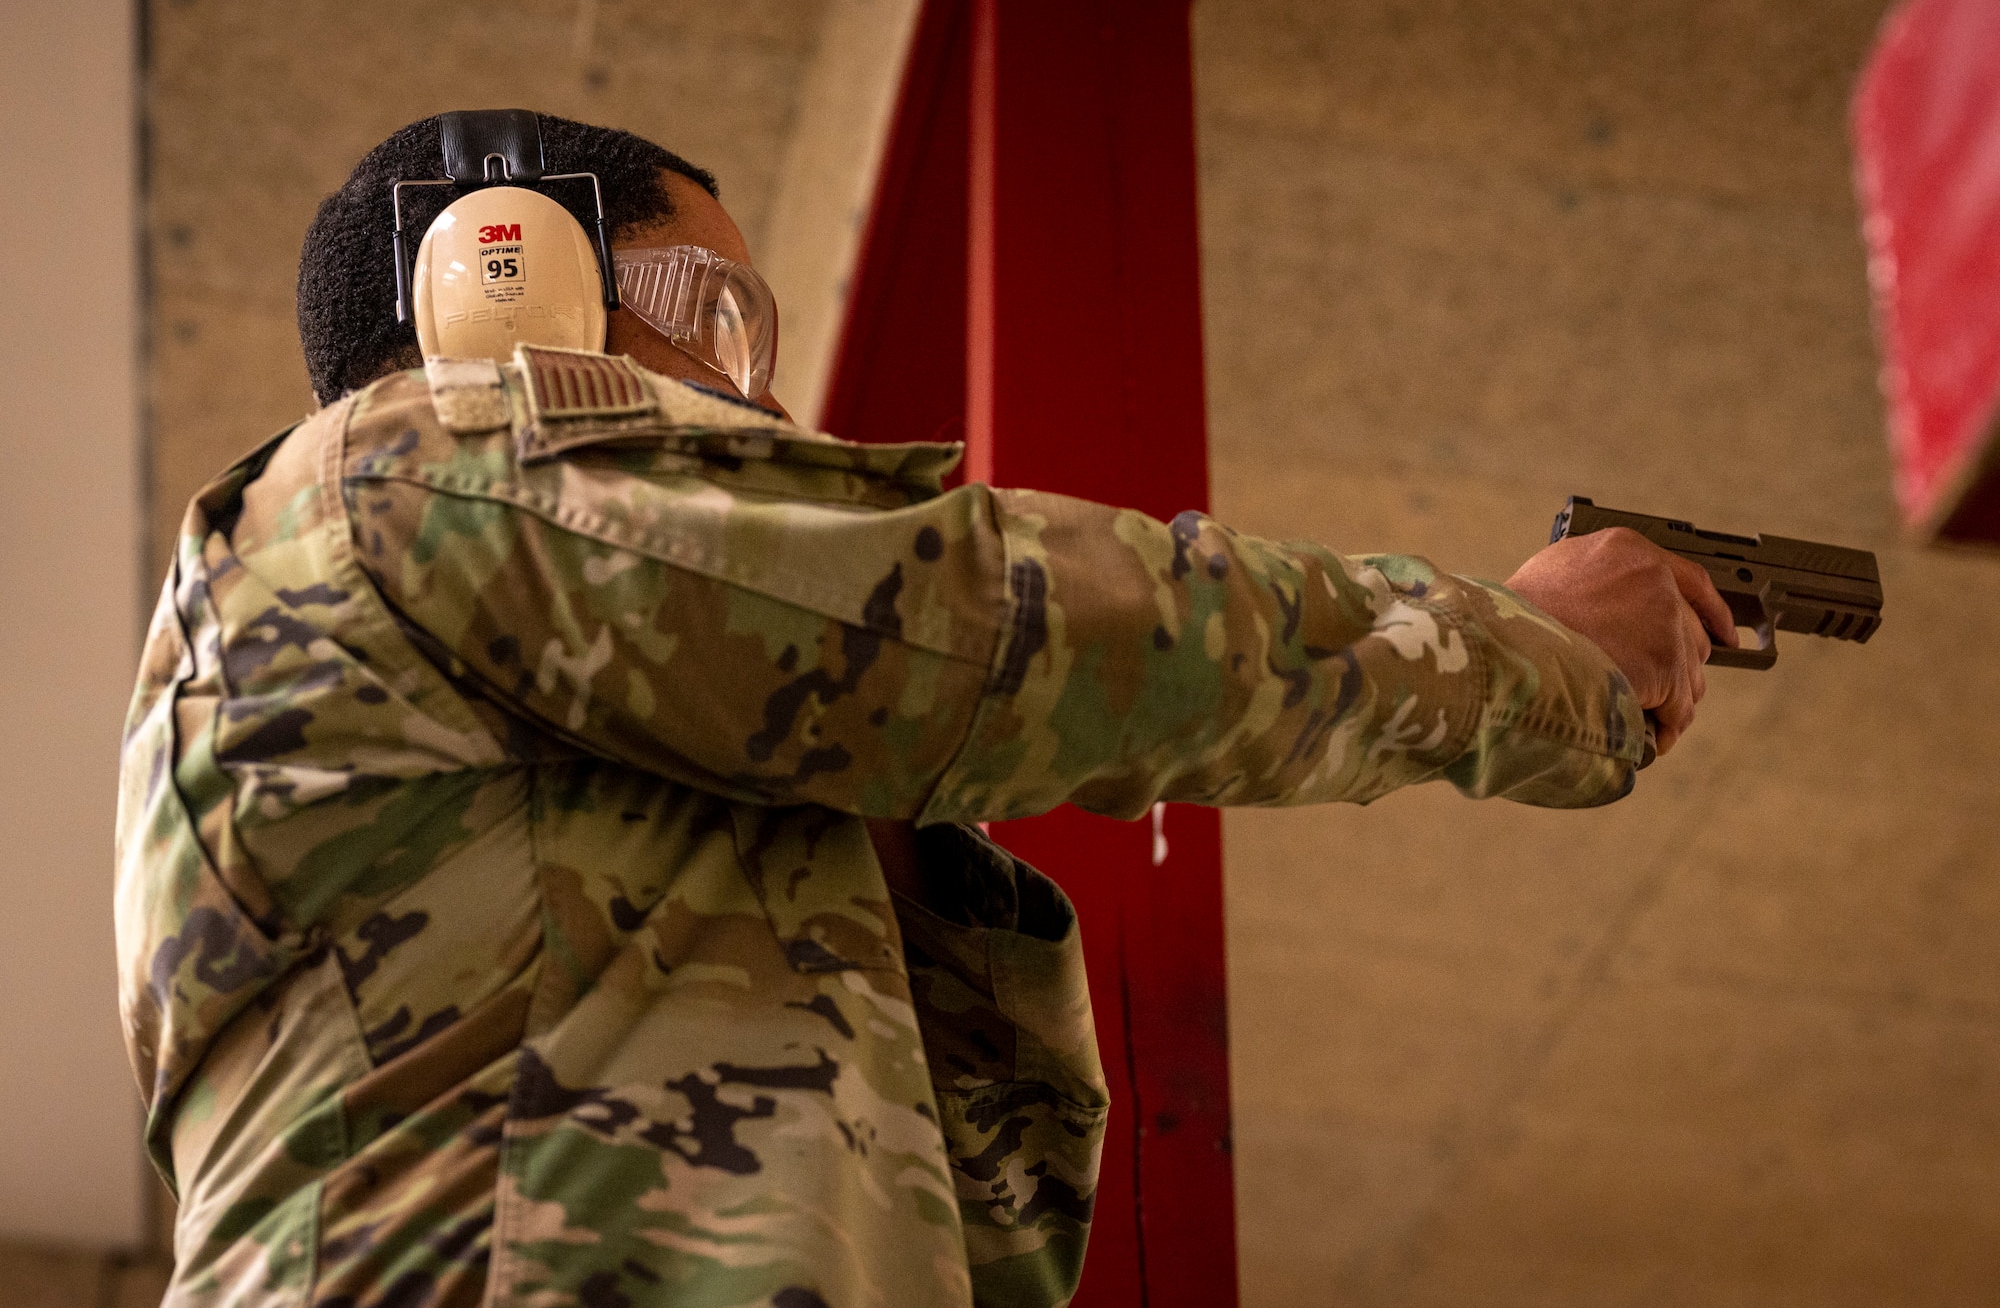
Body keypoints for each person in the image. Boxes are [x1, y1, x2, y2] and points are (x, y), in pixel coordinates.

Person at [115, 113, 1731, 1308]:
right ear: (502, 268)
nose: (760, 399)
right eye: (722, 320)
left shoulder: (597, 737)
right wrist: (1524, 649)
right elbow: (996, 628)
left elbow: (976, 1215)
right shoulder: (393, 475)